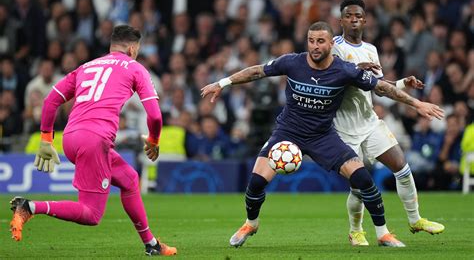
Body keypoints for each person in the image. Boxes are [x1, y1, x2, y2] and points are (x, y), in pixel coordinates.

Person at [201, 21, 444, 248]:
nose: (315, 46)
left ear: (331, 44)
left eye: (320, 41)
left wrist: (417, 104)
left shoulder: (345, 70)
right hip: (288, 132)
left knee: (362, 179)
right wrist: (222, 83)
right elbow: (257, 71)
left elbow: (381, 86)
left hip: (322, 136)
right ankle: (250, 224)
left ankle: (383, 234)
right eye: (311, 41)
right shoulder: (292, 62)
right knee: (255, 183)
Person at [8, 25, 177, 256]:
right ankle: (30, 207)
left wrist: (46, 139)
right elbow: (156, 115)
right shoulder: (135, 68)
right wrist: (154, 140)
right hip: (95, 140)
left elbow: (50, 102)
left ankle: (152, 244)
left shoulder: (86, 66)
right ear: (132, 48)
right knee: (91, 214)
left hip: (71, 137)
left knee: (129, 179)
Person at [332, 0, 445, 246]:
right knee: (358, 186)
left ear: (365, 20)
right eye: (349, 15)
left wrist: (404, 83)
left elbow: (379, 87)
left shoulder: (371, 49)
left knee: (402, 167)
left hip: (369, 121)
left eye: (358, 16)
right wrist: (357, 69)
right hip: (344, 128)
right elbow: (335, 79)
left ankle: (415, 220)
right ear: (341, 20)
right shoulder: (333, 48)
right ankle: (356, 231)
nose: (354, 19)